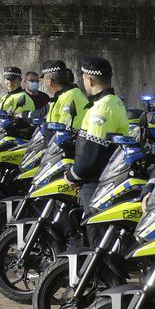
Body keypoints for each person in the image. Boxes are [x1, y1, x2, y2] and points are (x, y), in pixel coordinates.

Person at [65, 57, 129, 218]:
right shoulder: (112, 102)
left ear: (90, 80)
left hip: (96, 179)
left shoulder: (103, 107)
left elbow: (93, 151)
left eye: (84, 78)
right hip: (101, 176)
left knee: (94, 232)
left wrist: (73, 175)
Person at [40, 59, 90, 128]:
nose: (44, 83)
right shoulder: (60, 97)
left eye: (43, 80)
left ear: (49, 81)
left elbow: (65, 133)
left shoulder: (69, 98)